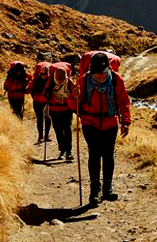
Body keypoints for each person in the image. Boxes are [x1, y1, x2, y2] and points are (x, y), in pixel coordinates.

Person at [77, 51, 131, 203]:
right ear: (91, 70)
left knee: (108, 155)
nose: (100, 76)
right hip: (89, 122)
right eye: (96, 74)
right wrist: (73, 96)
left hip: (110, 122)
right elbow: (75, 105)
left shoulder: (115, 79)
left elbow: (123, 100)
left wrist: (125, 122)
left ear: (108, 68)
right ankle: (95, 191)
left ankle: (108, 188)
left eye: (102, 73)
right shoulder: (83, 80)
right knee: (94, 153)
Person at [44, 63, 75, 161]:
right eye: (58, 78)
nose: (60, 80)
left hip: (66, 109)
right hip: (54, 110)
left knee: (67, 129)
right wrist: (47, 93)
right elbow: (45, 93)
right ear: (54, 76)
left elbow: (74, 95)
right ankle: (62, 150)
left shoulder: (69, 82)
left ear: (65, 76)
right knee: (58, 130)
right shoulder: (51, 82)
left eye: (62, 78)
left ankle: (68, 152)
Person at [30, 61, 52, 144]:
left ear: (48, 74)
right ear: (40, 73)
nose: (44, 76)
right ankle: (40, 136)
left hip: (46, 102)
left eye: (45, 74)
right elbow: (31, 90)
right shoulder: (35, 80)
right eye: (42, 74)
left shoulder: (50, 81)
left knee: (48, 118)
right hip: (37, 101)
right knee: (40, 118)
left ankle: (46, 135)